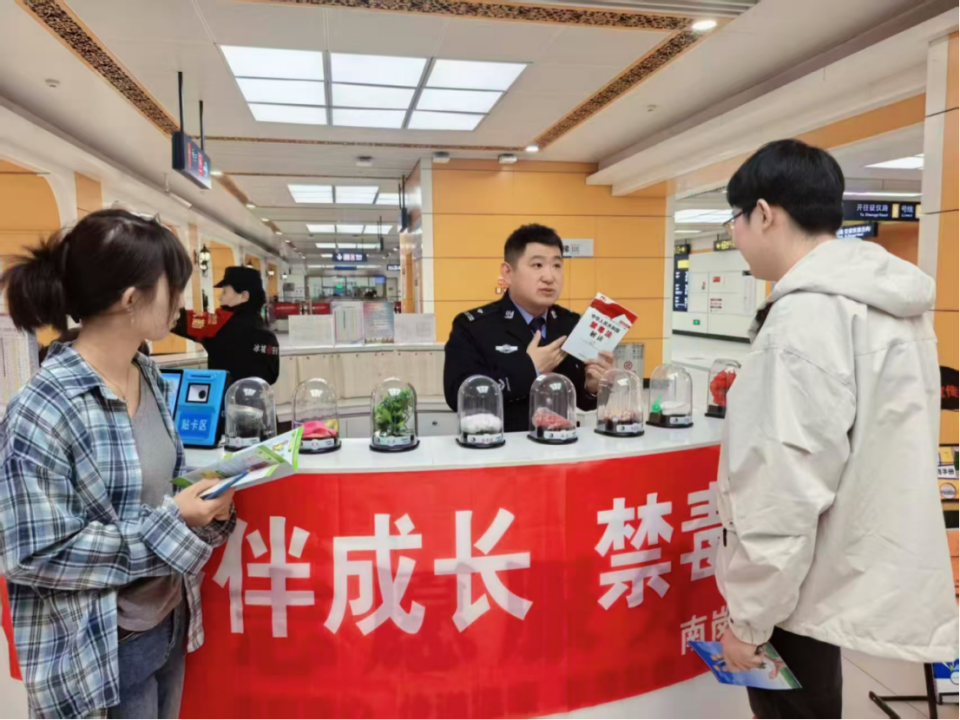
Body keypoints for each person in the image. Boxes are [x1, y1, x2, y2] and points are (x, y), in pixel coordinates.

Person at [714, 140, 956, 719]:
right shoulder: (892, 305)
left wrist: (748, 621)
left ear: (764, 213)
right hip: (840, 567)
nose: (736, 236)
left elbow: (782, 488)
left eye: (735, 219)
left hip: (796, 583)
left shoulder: (803, 318)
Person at [0, 209, 237, 719]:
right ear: (131, 300)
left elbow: (155, 492)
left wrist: (204, 502)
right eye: (174, 288)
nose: (182, 303)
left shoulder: (146, 375)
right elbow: (33, 553)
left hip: (167, 621)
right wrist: (174, 523)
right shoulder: (44, 409)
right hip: (98, 649)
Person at [444, 224, 614, 432]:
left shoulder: (570, 324)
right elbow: (458, 397)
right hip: (500, 445)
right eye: (537, 265)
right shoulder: (473, 326)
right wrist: (529, 369)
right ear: (508, 273)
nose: (549, 277)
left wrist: (592, 387)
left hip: (561, 444)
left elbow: (582, 401)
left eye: (557, 265)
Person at [172, 266, 279, 385]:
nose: (220, 297)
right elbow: (272, 376)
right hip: (256, 396)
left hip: (221, 395)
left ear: (244, 296)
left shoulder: (217, 325)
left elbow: (177, 319)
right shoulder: (269, 337)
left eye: (224, 292)